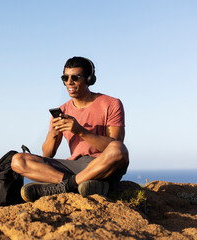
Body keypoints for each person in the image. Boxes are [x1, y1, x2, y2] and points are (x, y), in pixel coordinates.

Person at [11, 56, 129, 202]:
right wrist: (53, 134)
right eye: (65, 78)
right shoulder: (63, 110)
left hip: (101, 164)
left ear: (89, 79)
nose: (69, 82)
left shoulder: (111, 104)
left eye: (75, 77)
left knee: (119, 149)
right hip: (75, 167)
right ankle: (77, 185)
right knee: (18, 160)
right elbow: (47, 154)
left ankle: (64, 186)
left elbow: (114, 146)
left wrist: (80, 131)